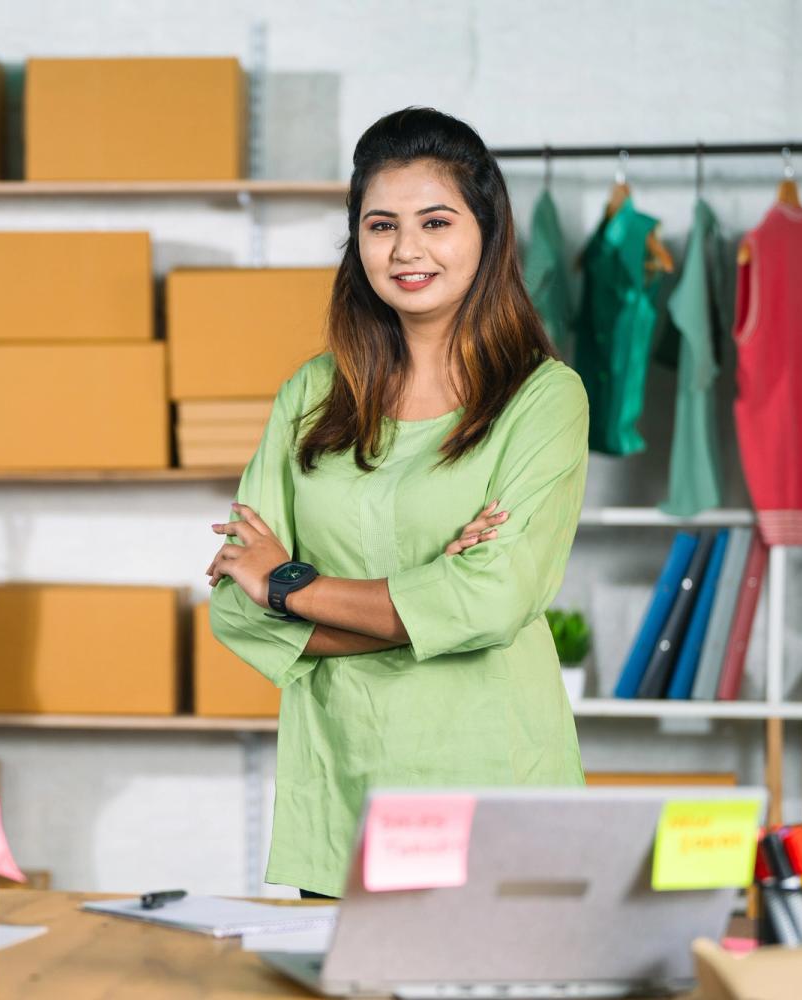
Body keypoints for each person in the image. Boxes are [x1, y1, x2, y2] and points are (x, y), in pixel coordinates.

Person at [206, 107, 589, 899]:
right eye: (381, 225)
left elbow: (493, 598)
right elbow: (234, 614)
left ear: (487, 232)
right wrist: (427, 601)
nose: (407, 249)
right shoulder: (312, 394)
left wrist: (293, 586)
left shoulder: (542, 399)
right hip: (341, 797)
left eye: (436, 221)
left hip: (496, 788)